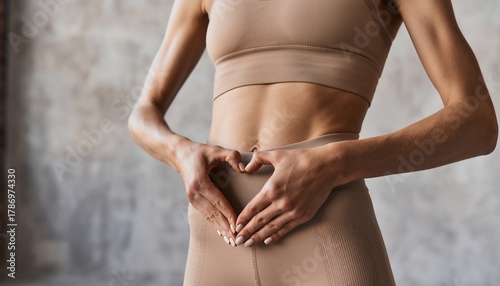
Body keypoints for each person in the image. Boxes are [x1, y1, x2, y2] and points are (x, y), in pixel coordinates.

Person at [128, 0, 498, 285]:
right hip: (217, 237)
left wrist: (337, 161)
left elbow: (477, 121)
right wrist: (180, 153)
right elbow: (143, 112)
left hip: (325, 228)